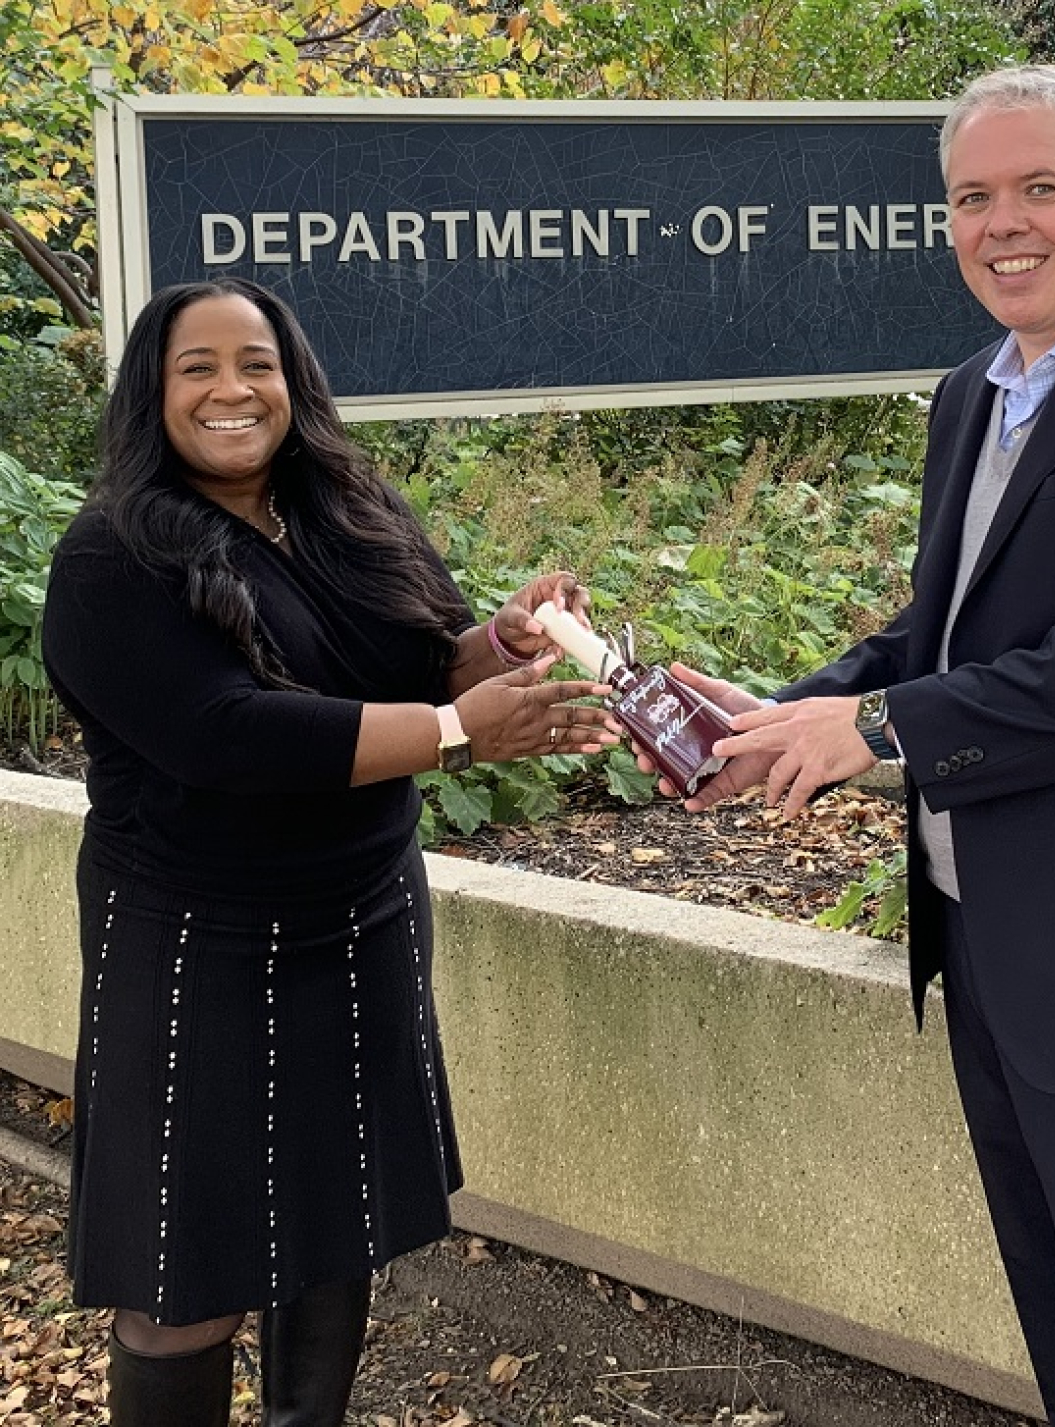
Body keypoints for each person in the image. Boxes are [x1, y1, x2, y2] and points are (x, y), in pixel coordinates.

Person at [652, 65, 1055, 1427]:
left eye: (1037, 189)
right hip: (993, 935)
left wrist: (877, 728)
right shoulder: (975, 390)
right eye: (970, 197)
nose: (1000, 223)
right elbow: (943, 630)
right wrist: (789, 715)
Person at [41, 275, 622, 1427]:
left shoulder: (346, 507)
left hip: (357, 918)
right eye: (195, 366)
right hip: (195, 941)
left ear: (291, 379)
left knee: (331, 1220)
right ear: (150, 394)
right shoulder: (115, 555)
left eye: (253, 362)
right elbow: (227, 734)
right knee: (185, 1269)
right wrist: (460, 732)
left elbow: (419, 662)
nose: (229, 389)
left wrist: (495, 643)